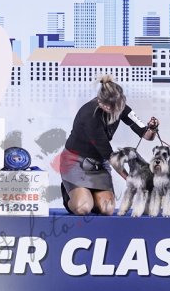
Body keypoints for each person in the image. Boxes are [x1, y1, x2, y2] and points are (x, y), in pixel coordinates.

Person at [60, 75, 159, 216]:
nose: (112, 110)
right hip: (75, 162)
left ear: (121, 102)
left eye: (116, 107)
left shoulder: (121, 108)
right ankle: (70, 193)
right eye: (107, 106)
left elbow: (147, 136)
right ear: (99, 101)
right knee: (83, 208)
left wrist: (153, 128)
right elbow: (111, 157)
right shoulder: (90, 115)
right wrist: (131, 179)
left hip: (98, 164)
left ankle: (87, 194)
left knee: (107, 209)